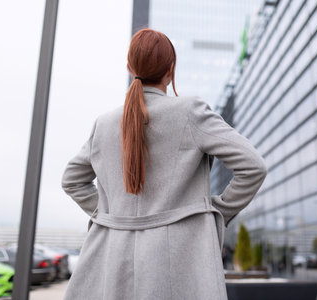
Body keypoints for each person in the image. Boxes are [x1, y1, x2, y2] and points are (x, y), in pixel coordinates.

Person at [61, 28, 267, 300]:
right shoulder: (190, 112)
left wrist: (112, 215)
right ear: (171, 70)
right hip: (181, 259)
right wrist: (216, 212)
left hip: (111, 261)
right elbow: (253, 166)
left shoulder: (104, 123)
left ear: (129, 67)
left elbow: (71, 180)